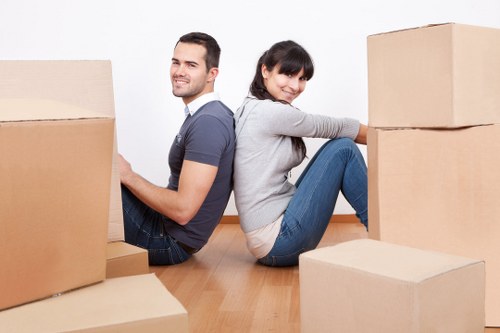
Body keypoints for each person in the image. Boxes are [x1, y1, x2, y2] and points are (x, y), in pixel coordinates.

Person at [233, 40, 368, 267]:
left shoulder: (250, 106)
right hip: (280, 241)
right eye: (287, 75)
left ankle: (384, 229)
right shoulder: (268, 112)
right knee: (343, 149)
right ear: (265, 70)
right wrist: (390, 137)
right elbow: (332, 126)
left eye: (302, 79)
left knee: (339, 147)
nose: (295, 86)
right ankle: (387, 234)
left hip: (271, 237)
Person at [119, 32, 235, 265]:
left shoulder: (208, 123)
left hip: (167, 241)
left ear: (212, 74)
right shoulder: (204, 115)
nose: (179, 71)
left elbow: (183, 210)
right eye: (176, 62)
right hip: (165, 228)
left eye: (191, 65)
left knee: (88, 179)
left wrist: (128, 176)